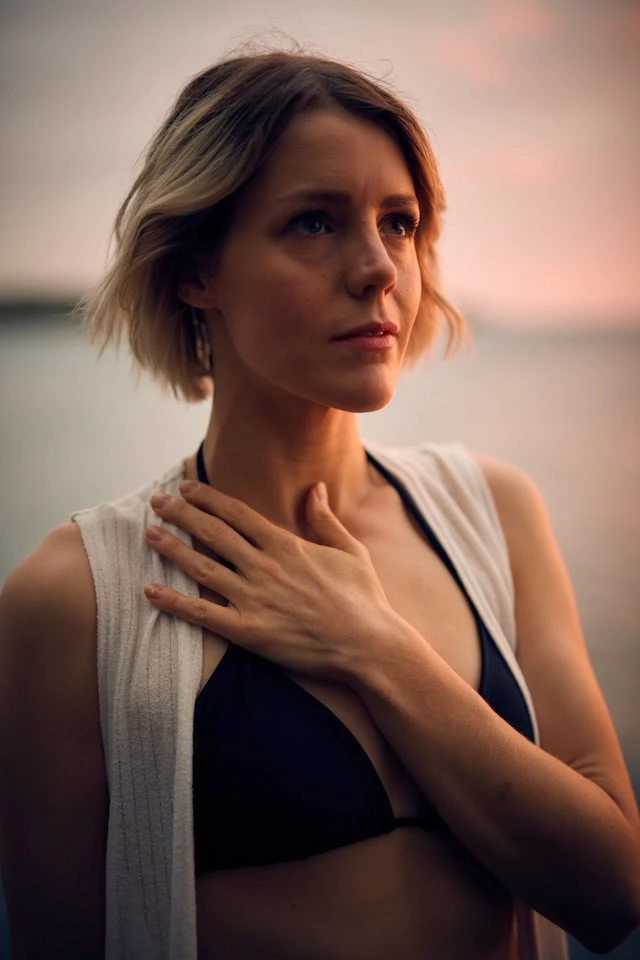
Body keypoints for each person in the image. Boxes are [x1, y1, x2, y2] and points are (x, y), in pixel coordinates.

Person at [1, 44, 639, 960]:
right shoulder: (77, 598)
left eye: (401, 223)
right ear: (195, 269)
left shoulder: (492, 515)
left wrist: (376, 648)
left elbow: (613, 893)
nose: (380, 268)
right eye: (314, 223)